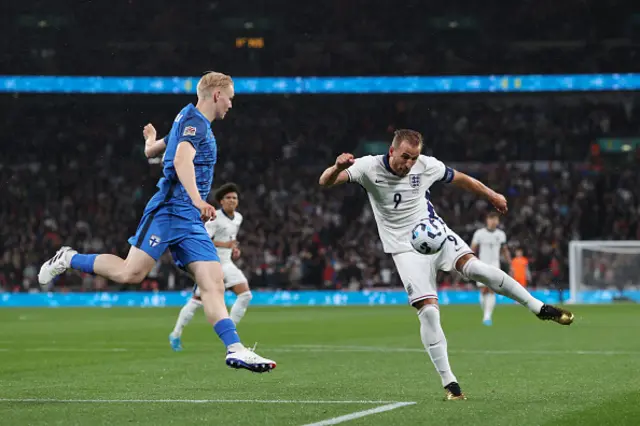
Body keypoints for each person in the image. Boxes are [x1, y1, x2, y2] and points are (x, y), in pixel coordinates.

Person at [38, 72, 275, 373]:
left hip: (190, 221)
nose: (231, 104)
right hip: (169, 210)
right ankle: (69, 257)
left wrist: (150, 142)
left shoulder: (185, 118)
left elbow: (155, 151)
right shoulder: (196, 124)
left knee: (213, 284)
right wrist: (199, 200)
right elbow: (180, 160)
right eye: (229, 97)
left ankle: (235, 348)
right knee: (130, 273)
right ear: (216, 95)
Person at [318, 129, 573, 400]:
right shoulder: (368, 166)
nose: (409, 163)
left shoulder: (426, 166)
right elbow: (325, 182)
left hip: (435, 233)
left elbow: (460, 179)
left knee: (477, 269)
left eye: (414, 158)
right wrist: (337, 167)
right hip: (405, 249)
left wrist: (491, 195)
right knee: (428, 312)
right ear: (392, 151)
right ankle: (450, 384)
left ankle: (538, 307)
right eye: (405, 157)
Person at [169, 183, 253, 351]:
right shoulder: (214, 218)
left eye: (234, 198)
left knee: (245, 295)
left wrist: (233, 249)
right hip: (210, 263)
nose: (232, 201)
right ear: (221, 202)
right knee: (196, 302)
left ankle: (230, 333)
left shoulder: (238, 218)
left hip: (227, 263)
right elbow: (202, 239)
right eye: (228, 198)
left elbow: (230, 239)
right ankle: (175, 334)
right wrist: (225, 244)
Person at [470, 212, 511, 326]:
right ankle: (486, 313)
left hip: (495, 266)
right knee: (483, 290)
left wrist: (510, 263)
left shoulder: (501, 234)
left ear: (498, 221)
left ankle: (487, 317)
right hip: (481, 264)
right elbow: (472, 249)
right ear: (487, 220)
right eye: (491, 218)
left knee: (491, 289)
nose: (493, 221)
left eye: (495, 219)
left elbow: (504, 250)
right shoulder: (479, 234)